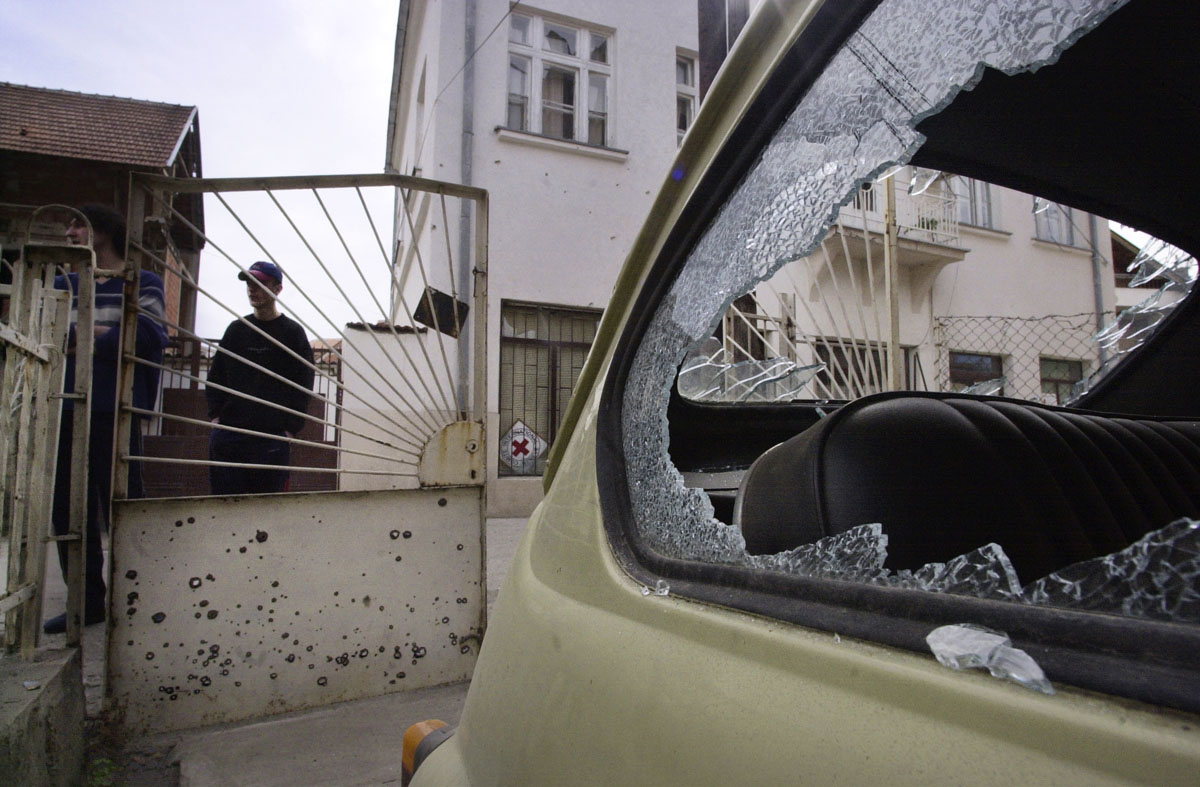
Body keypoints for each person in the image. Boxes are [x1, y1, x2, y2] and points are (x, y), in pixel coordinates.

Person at [46, 204, 168, 634]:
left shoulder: (142, 282)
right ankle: (86, 603)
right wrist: (108, 335)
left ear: (105, 230)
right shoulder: (65, 283)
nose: (70, 232)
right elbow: (50, 334)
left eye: (78, 224)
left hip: (117, 409)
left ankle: (133, 598)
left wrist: (94, 338)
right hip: (66, 404)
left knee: (122, 506)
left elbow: (152, 335)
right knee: (68, 510)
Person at [206, 261, 314, 495]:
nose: (252, 289)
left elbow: (304, 384)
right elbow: (216, 376)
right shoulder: (236, 329)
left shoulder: (292, 333)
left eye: (260, 283)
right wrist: (216, 418)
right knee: (224, 509)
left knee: (267, 511)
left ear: (278, 289)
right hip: (230, 435)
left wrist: (290, 429)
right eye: (248, 283)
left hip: (271, 439)